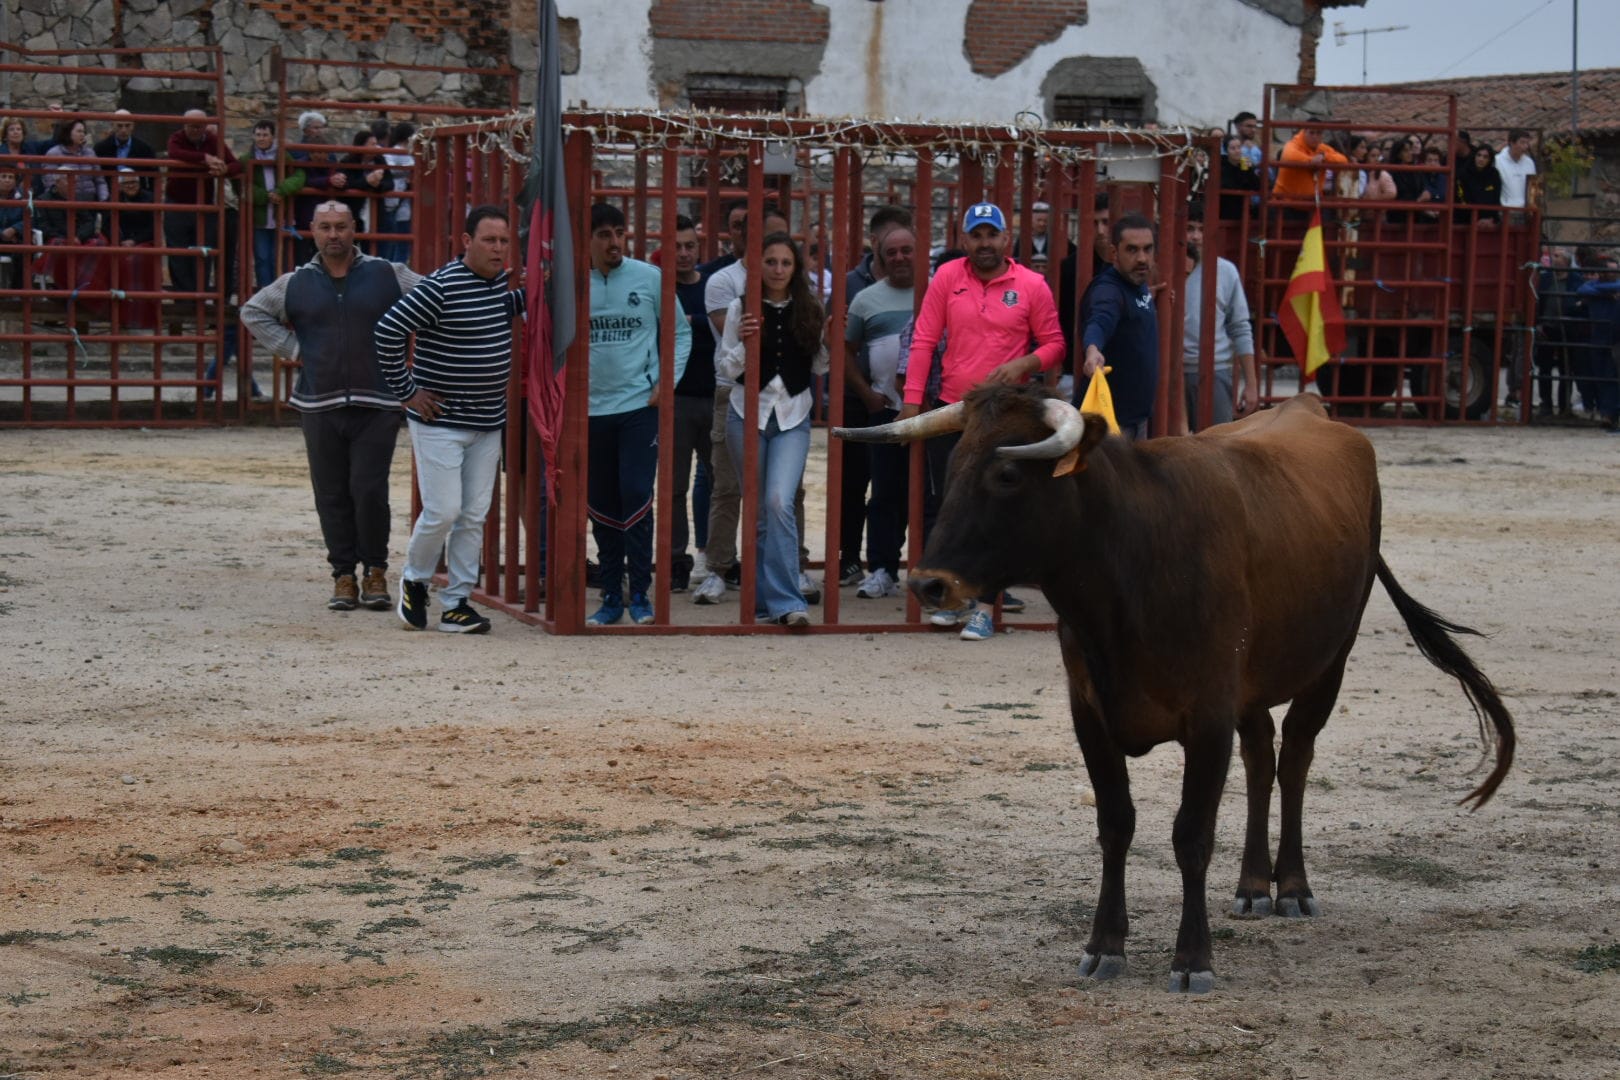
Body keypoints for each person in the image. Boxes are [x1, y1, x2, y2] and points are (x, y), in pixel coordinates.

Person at [241, 201, 422, 611]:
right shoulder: (294, 283)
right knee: (331, 492)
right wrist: (294, 348)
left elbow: (432, 298)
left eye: (341, 226)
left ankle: (374, 569)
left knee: (369, 489)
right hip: (318, 401)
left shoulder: (387, 274)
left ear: (354, 228)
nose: (334, 234)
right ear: (313, 231)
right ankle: (343, 574)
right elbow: (252, 312)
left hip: (378, 400)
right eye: (325, 227)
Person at [904, 201, 1065, 641]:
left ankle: (985, 609)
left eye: (991, 235)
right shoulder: (947, 277)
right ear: (963, 240)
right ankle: (953, 598)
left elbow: (1054, 344)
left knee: (996, 511)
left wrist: (1022, 364)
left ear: (1006, 240)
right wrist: (912, 400)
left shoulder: (1031, 285)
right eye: (976, 235)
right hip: (955, 408)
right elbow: (924, 339)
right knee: (950, 506)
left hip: (1004, 419)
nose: (984, 244)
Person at [374, 205, 524, 634]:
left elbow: (495, 309)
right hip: (440, 420)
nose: (498, 249)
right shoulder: (439, 286)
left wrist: (529, 293)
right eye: (489, 240)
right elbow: (387, 330)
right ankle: (415, 580)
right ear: (466, 241)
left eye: (503, 241)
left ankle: (458, 601)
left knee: (474, 514)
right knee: (443, 510)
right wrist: (407, 392)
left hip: (487, 420)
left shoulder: (497, 283)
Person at [583, 203, 692, 626]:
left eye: (619, 233)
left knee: (636, 493)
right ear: (587, 239)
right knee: (602, 503)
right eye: (604, 234)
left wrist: (667, 382)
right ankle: (612, 594)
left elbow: (680, 334)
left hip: (637, 406)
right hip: (590, 410)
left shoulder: (649, 278)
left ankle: (641, 594)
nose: (614, 243)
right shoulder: (572, 284)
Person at [714, 231, 827, 627]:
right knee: (760, 511)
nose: (778, 269)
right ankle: (763, 601)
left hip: (793, 415)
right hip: (746, 413)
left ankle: (785, 600)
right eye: (771, 261)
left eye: (786, 262)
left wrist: (828, 332)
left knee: (780, 502)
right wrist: (746, 341)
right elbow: (725, 371)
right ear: (758, 265)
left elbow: (820, 366)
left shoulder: (810, 307)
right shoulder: (739, 306)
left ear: (796, 269)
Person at [836, 204, 913, 587]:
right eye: (891, 252)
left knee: (929, 497)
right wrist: (867, 394)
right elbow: (844, 351)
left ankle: (930, 570)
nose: (899, 258)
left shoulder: (940, 291)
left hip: (929, 410)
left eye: (906, 250)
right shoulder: (866, 299)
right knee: (884, 491)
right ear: (880, 256)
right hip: (883, 410)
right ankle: (882, 568)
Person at [1079, 212, 1160, 441]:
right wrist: (1092, 349)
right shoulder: (1109, 290)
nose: (1142, 258)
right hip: (1110, 428)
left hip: (1136, 421)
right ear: (1114, 253)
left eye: (1148, 249)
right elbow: (1100, 320)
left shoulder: (1136, 281)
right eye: (1132, 250)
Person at [669, 213, 717, 593]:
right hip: (677, 399)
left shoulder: (712, 286)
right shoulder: (659, 288)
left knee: (721, 483)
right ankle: (674, 560)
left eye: (689, 246)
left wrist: (692, 321)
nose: (683, 254)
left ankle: (714, 557)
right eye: (676, 247)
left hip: (716, 396)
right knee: (674, 485)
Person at [1182, 206, 1257, 429]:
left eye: (1202, 229)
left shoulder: (1226, 272)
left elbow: (1240, 327)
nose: (1195, 236)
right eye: (1189, 229)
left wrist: (1251, 384)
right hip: (1171, 372)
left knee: (1215, 449)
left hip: (1215, 371)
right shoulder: (1164, 268)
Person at [164, 108, 240, 295]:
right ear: (184, 125)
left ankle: (200, 297)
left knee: (202, 253)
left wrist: (223, 170)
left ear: (206, 127)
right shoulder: (177, 137)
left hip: (204, 206)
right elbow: (174, 152)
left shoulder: (212, 140)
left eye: (199, 127)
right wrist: (205, 159)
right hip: (177, 202)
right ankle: (183, 301)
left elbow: (235, 164)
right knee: (178, 253)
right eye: (191, 126)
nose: (195, 130)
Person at [246, 119, 304, 289]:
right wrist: (266, 196)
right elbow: (243, 186)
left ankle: (281, 292)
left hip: (282, 216)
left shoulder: (284, 156)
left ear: (272, 137)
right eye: (257, 135)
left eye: (265, 135)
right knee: (262, 258)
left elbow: (299, 176)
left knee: (280, 257)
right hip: (260, 218)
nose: (261, 138)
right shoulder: (247, 158)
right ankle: (266, 292)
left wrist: (281, 190)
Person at [1535, 248, 1581, 418]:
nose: (1553, 258)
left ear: (1567, 261)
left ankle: (1564, 406)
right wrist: (1538, 324)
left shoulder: (1576, 280)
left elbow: (1579, 304)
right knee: (1544, 368)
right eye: (1553, 256)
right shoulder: (1546, 279)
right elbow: (1537, 302)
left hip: (1567, 329)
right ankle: (1545, 404)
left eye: (1557, 256)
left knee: (1566, 369)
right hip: (1547, 328)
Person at [1574, 262, 1620, 431]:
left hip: (1614, 338)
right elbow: (1582, 290)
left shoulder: (1603, 287)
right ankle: (1607, 413)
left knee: (1611, 376)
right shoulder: (1596, 286)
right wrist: (1607, 294)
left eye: (1613, 269)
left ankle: (1611, 414)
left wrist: (1600, 293)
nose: (1609, 272)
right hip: (1598, 337)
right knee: (1601, 376)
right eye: (1606, 269)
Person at [1272, 124, 1348, 204]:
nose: (1315, 136)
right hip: (1285, 202)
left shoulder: (1322, 148)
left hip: (1312, 203)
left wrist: (1324, 156)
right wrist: (1311, 161)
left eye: (1318, 133)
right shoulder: (1292, 145)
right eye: (1311, 133)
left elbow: (1343, 160)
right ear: (1304, 133)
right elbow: (1290, 156)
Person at [43, 117, 107, 203]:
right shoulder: (54, 153)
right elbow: (50, 184)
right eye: (79, 131)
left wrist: (104, 200)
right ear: (68, 132)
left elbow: (100, 181)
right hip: (65, 204)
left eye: (83, 132)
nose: (82, 134)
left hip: (90, 202)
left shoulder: (90, 153)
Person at [92, 109, 156, 191]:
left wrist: (149, 199)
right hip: (109, 194)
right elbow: (95, 176)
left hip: (136, 197)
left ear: (133, 126)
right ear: (112, 125)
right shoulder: (101, 148)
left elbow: (154, 177)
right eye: (119, 126)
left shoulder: (145, 148)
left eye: (127, 125)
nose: (123, 130)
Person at [379, 122, 415, 264]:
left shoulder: (398, 151)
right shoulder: (398, 151)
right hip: (399, 202)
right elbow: (391, 169)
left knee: (397, 243)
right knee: (400, 244)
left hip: (400, 202)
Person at [1219, 135, 1263, 221]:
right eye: (1233, 148)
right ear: (1226, 151)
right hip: (1225, 208)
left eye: (1239, 147)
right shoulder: (1221, 166)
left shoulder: (1244, 165)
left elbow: (1257, 186)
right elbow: (1229, 185)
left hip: (1242, 209)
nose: (1237, 151)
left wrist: (1249, 170)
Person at [1457, 142, 1502, 225]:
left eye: (1485, 157)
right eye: (1479, 155)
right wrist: (1474, 219)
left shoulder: (1494, 175)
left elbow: (1496, 198)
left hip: (1489, 222)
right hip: (1467, 222)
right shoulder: (1464, 174)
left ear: (1490, 160)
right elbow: (1461, 198)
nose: (1481, 159)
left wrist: (1491, 219)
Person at [1495, 130, 1537, 210]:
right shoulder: (1498, 161)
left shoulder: (1529, 162)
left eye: (1527, 143)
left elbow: (1533, 186)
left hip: (1526, 210)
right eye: (1522, 142)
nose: (1525, 146)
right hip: (1505, 209)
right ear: (1512, 143)